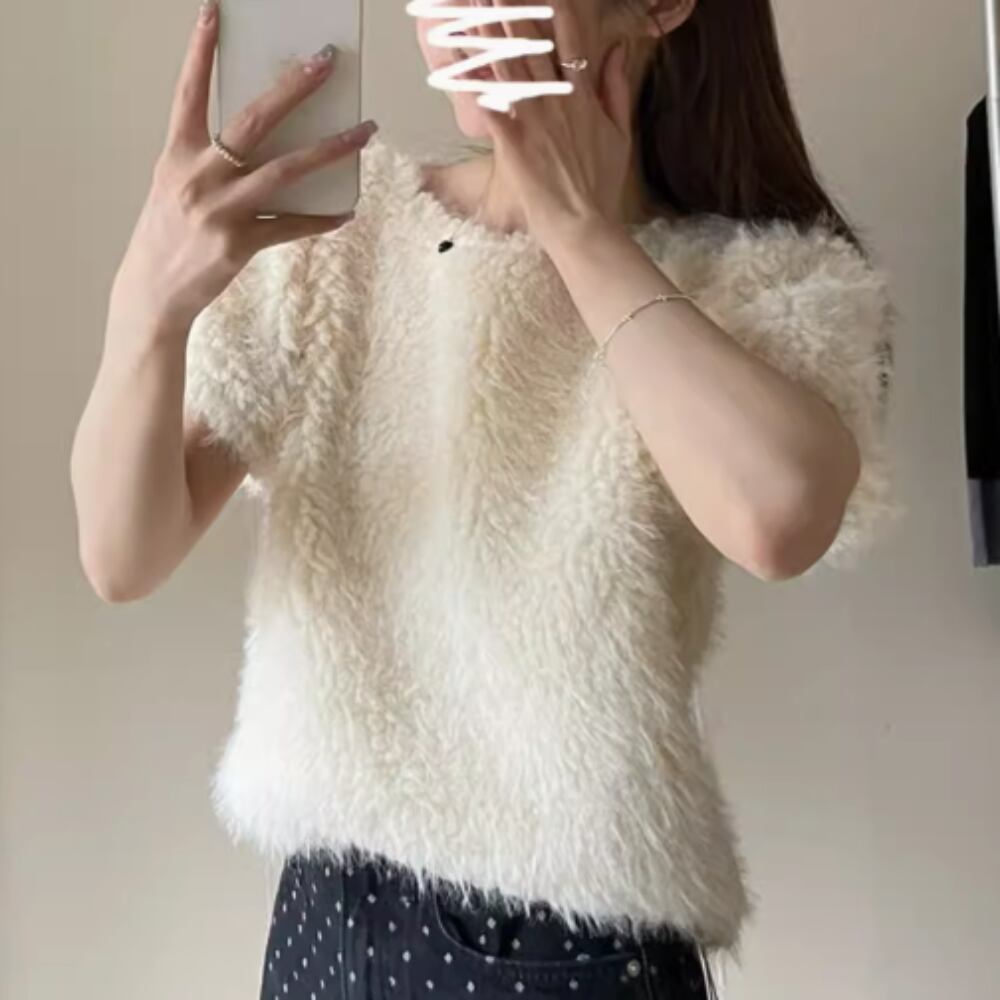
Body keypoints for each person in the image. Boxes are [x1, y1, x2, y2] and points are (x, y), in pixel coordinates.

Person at [70, 0, 898, 997]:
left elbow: (779, 520)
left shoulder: (758, 278)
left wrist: (579, 230)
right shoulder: (340, 236)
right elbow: (122, 553)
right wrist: (145, 308)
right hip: (320, 916)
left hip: (566, 940)